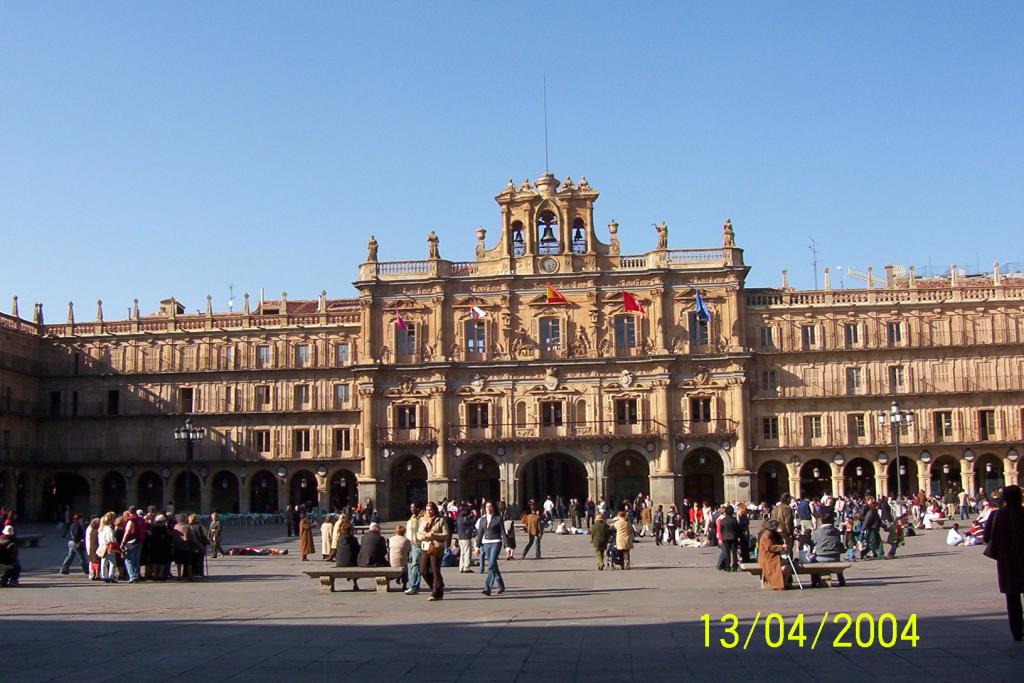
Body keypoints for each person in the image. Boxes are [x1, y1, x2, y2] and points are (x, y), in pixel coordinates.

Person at [983, 485, 1024, 641]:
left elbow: (987, 537)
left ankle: (1017, 631)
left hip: (1007, 561)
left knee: (1012, 597)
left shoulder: (996, 515)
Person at [476, 501, 510, 595]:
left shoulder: (498, 519)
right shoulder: (482, 520)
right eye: (487, 507)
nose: (489, 508)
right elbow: (480, 534)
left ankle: (488, 588)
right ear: (484, 508)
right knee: (494, 565)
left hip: (496, 542)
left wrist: (507, 546)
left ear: (493, 508)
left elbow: (503, 532)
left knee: (491, 564)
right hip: (486, 543)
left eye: (490, 506)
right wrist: (477, 546)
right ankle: (501, 586)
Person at [418, 502, 449, 601]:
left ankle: (435, 592)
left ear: (435, 510)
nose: (429, 512)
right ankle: (437, 586)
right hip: (425, 546)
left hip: (436, 547)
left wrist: (433, 535)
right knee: (423, 570)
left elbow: (446, 534)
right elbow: (418, 533)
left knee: (435, 570)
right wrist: (421, 536)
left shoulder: (440, 520)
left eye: (430, 510)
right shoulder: (423, 520)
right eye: (427, 510)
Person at [809, 510, 846, 587]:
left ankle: (814, 581)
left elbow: (813, 543)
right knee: (838, 559)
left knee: (811, 560)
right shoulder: (836, 531)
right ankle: (841, 579)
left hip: (821, 557)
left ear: (821, 520)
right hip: (835, 557)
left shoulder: (817, 532)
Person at [757, 519, 791, 590]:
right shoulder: (766, 535)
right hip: (768, 558)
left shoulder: (772, 534)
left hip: (773, 556)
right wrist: (781, 547)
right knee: (779, 568)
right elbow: (769, 547)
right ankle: (778, 584)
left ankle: (783, 583)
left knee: (787, 566)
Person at [404, 503, 424, 595]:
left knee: (428, 567)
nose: (411, 509)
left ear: (418, 508)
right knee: (415, 565)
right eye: (411, 507)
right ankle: (414, 586)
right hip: (415, 544)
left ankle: (436, 585)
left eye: (413, 507)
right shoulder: (412, 518)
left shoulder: (423, 518)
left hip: (423, 543)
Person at [389, 524, 412, 590]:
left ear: (395, 532)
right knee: (404, 564)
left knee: (396, 559)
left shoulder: (391, 539)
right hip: (402, 563)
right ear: (404, 532)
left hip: (392, 562)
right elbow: (409, 550)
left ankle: (396, 579)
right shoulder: (406, 540)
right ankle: (404, 584)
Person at [717, 505, 739, 572]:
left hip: (725, 538)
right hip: (733, 537)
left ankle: (727, 567)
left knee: (727, 553)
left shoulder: (723, 520)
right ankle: (735, 566)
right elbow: (737, 529)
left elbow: (720, 530)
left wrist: (721, 538)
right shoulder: (734, 520)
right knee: (734, 553)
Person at [98, 512, 119, 583]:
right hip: (108, 546)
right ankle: (111, 576)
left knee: (103, 562)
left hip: (102, 546)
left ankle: (104, 576)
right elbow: (111, 539)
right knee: (112, 562)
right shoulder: (109, 529)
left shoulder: (101, 528)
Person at [455, 506, 475, 574]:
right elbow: (472, 522)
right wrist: (474, 516)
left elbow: (467, 519)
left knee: (462, 553)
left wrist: (471, 515)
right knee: (467, 552)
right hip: (466, 536)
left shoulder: (459, 518)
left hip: (461, 537)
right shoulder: (465, 519)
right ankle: (466, 567)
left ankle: (461, 567)